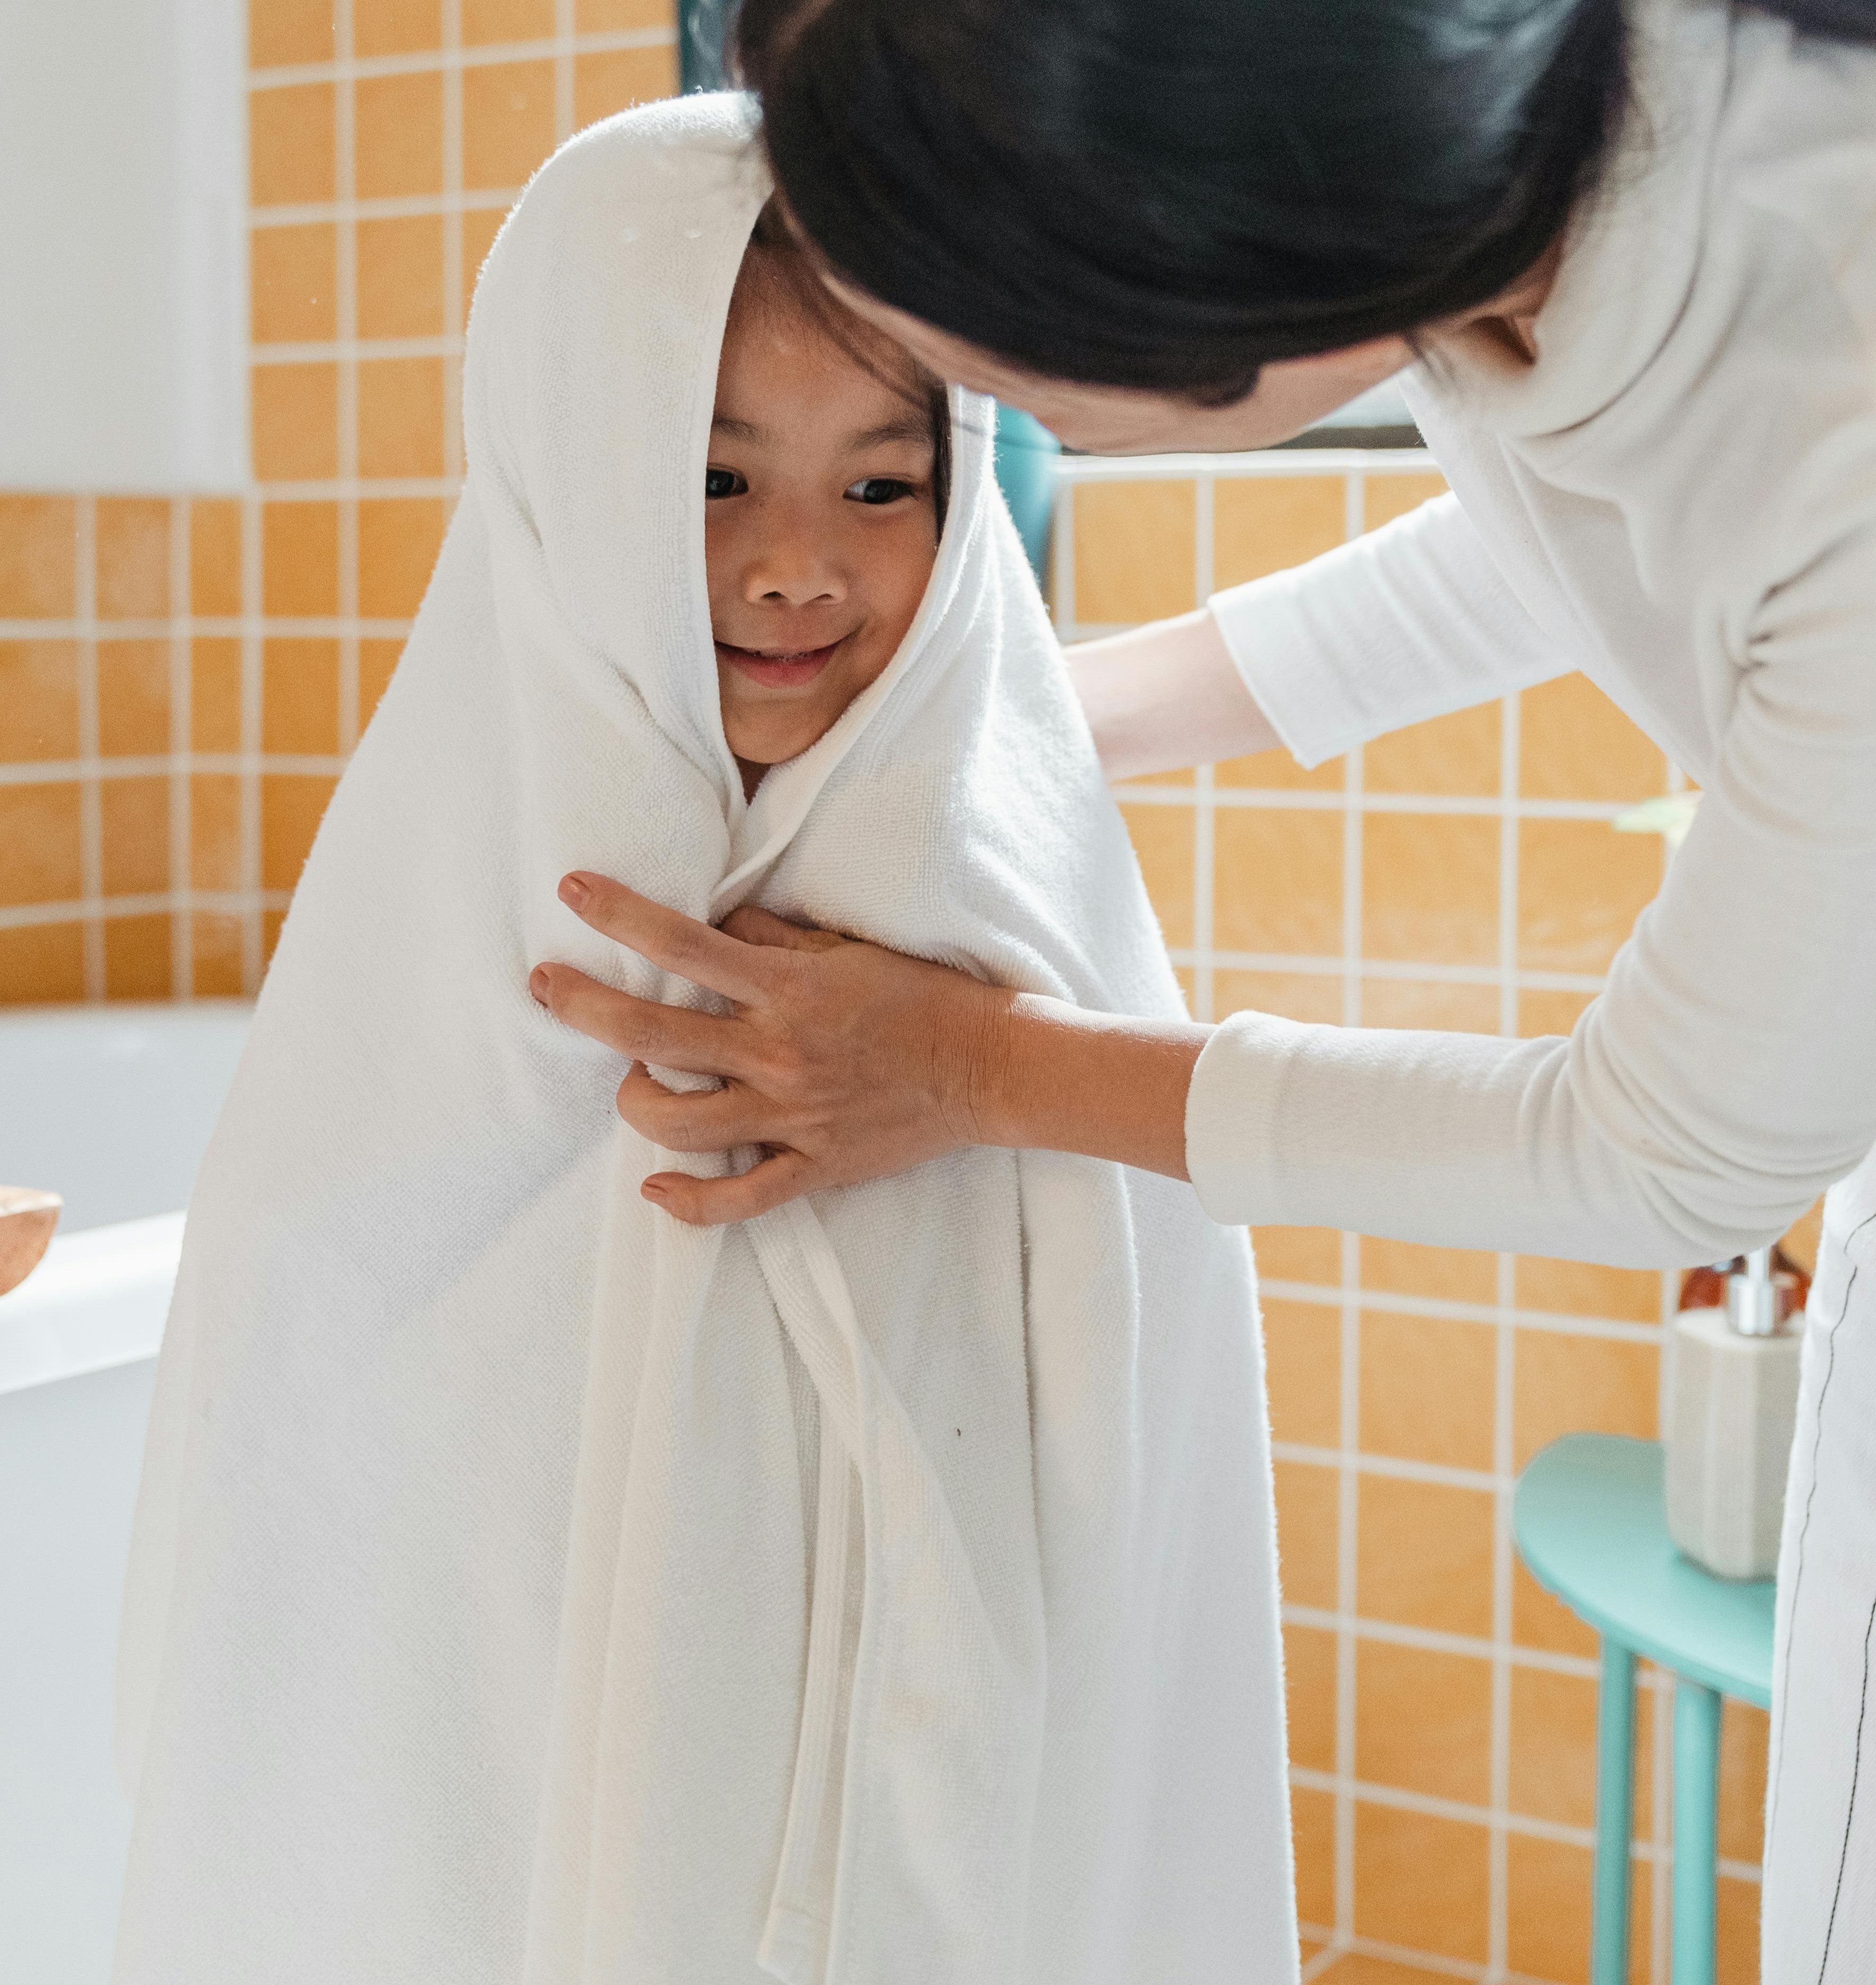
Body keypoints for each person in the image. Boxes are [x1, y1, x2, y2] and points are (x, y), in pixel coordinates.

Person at [530, 0, 1876, 1972]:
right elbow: (1553, 542)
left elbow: (1653, 1151)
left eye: (951, 396)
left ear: (1211, 271)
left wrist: (970, 1067)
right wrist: (1006, 730)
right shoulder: (1528, 136)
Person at [115, 94, 1295, 1984]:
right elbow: (326, 1506)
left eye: (881, 485)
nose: (795, 568)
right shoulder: (427, 939)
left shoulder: (1019, 897)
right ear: (565, 475)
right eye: (711, 479)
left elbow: (1124, 1394)